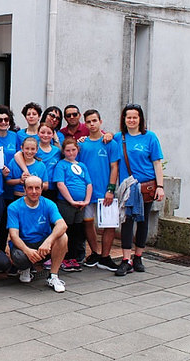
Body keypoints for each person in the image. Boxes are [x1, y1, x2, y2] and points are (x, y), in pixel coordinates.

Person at [113, 104, 164, 276]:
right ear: (124, 119)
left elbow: (157, 163)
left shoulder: (150, 137)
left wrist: (160, 186)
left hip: (147, 186)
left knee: (143, 222)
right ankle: (126, 259)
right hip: (128, 188)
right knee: (127, 222)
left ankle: (138, 257)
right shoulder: (118, 138)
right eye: (129, 117)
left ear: (140, 119)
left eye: (135, 117)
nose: (132, 120)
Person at [8, 176, 68, 293]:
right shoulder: (14, 207)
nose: (34, 191)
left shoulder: (49, 204)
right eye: (30, 188)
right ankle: (25, 268)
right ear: (24, 190)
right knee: (20, 257)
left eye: (37, 188)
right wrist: (27, 250)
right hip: (24, 244)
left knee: (63, 237)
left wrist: (48, 241)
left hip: (43, 245)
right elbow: (13, 235)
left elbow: (62, 225)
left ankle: (53, 276)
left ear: (42, 189)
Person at [78, 109, 120, 271]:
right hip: (88, 193)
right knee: (88, 223)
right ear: (85, 124)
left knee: (109, 225)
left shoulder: (110, 143)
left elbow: (114, 167)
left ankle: (105, 256)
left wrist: (110, 189)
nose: (92, 124)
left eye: (94, 120)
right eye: (88, 121)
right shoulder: (82, 145)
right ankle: (95, 252)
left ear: (100, 121)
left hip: (105, 192)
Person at [53, 137, 92, 272]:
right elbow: (60, 183)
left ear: (78, 150)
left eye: (73, 150)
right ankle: (64, 257)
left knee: (77, 231)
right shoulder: (61, 165)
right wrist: (71, 201)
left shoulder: (82, 165)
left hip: (81, 205)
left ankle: (74, 257)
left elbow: (89, 184)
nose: (71, 153)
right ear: (63, 151)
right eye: (68, 150)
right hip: (66, 203)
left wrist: (86, 200)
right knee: (66, 230)